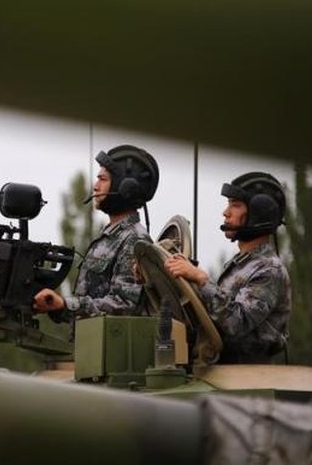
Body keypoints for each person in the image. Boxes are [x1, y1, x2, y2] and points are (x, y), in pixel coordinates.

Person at [164, 172, 291, 364]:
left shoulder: (269, 270)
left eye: (235, 205)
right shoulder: (241, 265)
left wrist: (202, 279)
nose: (226, 212)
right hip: (222, 369)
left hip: (247, 377)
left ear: (258, 213)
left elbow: (236, 323)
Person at [32, 144, 159, 320]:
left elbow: (124, 305)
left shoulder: (134, 240)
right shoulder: (111, 235)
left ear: (125, 188)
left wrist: (65, 304)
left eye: (102, 179)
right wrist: (58, 307)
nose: (95, 186)